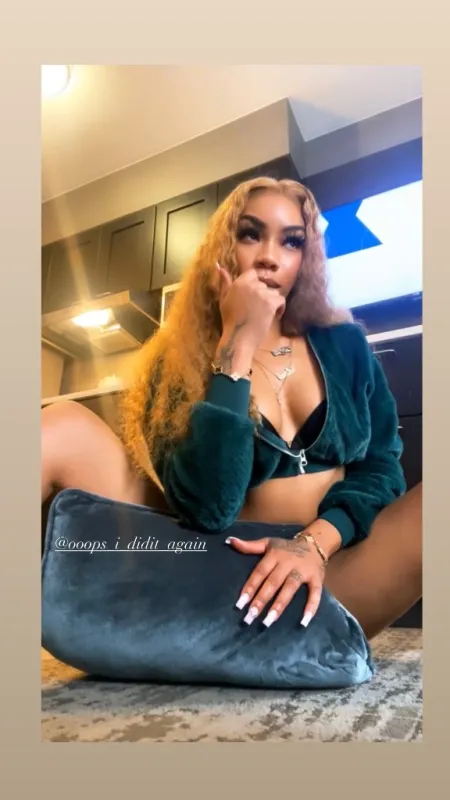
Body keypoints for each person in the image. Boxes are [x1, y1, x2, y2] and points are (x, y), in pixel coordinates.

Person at [41, 176, 422, 641]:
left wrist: (313, 544)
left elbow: (381, 468)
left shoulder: (346, 345)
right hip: (215, 572)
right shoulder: (176, 358)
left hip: (331, 569)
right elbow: (208, 509)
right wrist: (236, 346)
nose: (269, 256)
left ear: (306, 258)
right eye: (250, 234)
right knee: (59, 424)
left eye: (292, 241)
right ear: (224, 250)